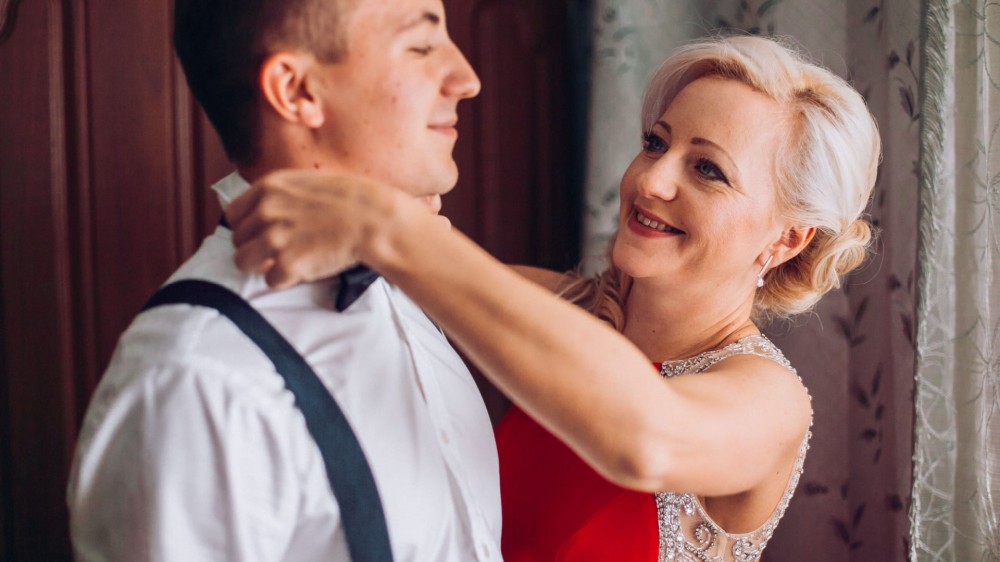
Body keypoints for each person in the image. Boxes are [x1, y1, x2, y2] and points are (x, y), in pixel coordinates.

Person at [224, 35, 880, 561]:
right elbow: (399, 265)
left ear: (786, 240)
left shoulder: (770, 398)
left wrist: (391, 229)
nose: (650, 179)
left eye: (706, 169)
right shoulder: (553, 313)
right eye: (655, 142)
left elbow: (645, 437)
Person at [67, 0, 504, 560]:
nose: (466, 79)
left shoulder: (407, 280)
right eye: (421, 45)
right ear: (295, 91)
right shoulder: (199, 381)